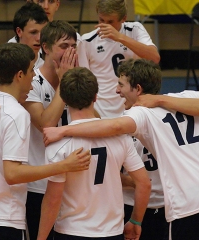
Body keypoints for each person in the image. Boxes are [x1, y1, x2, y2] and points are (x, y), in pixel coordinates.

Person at [43, 58, 199, 240]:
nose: (117, 90)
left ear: (138, 89)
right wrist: (161, 99)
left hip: (184, 204)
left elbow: (116, 126)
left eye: (121, 85)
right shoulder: (187, 96)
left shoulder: (139, 113)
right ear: (95, 97)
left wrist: (64, 130)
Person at [0, 42, 91, 240]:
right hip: (3, 218)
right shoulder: (17, 114)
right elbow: (12, 174)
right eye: (31, 70)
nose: (34, 75)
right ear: (19, 75)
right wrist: (64, 165)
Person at [37, 67, 151, 240]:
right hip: (112, 232)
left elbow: (53, 199)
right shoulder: (120, 137)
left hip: (71, 232)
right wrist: (135, 222)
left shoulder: (57, 144)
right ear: (96, 97)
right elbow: (144, 183)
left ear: (64, 100)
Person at [22, 20, 78, 240]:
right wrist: (64, 84)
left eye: (73, 46)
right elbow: (46, 124)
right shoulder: (31, 81)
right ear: (45, 47)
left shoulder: (76, 79)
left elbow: (93, 120)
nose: (70, 52)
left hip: (71, 183)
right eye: (64, 46)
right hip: (39, 186)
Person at [77, 0, 160, 118]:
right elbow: (84, 82)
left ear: (123, 18)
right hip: (102, 110)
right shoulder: (87, 41)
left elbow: (154, 58)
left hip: (134, 108)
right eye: (101, 20)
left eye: (110, 21)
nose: (105, 25)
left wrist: (120, 37)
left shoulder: (135, 30)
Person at [0, 2, 49, 91]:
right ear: (19, 32)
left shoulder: (48, 56)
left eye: (43, 32)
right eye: (33, 32)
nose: (39, 38)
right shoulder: (4, 59)